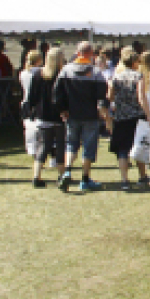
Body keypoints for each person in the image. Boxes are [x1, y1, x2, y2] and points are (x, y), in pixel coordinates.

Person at [54, 41, 107, 193]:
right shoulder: (95, 72)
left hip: (72, 114)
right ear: (91, 54)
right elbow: (102, 94)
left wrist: (63, 109)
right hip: (90, 115)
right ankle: (85, 179)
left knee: (71, 144)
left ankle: (68, 171)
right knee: (88, 147)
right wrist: (101, 110)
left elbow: (57, 93)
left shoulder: (66, 70)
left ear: (77, 53)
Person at [107, 50, 150, 191]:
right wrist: (148, 115)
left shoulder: (116, 77)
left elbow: (110, 96)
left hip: (121, 117)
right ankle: (142, 176)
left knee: (122, 149)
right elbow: (141, 97)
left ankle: (124, 180)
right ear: (134, 62)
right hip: (136, 116)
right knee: (139, 146)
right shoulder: (138, 76)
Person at [27, 48, 67, 188]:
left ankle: (36, 176)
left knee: (43, 146)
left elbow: (32, 96)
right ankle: (62, 176)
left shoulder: (38, 74)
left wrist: (33, 109)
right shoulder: (62, 74)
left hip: (43, 115)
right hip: (59, 115)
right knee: (61, 146)